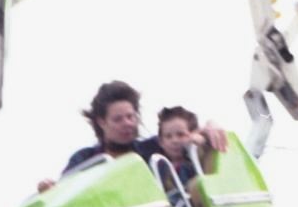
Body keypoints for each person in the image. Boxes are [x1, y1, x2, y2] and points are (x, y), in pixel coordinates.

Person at [37, 80, 227, 191]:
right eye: (118, 119)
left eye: (130, 116)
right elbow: (63, 191)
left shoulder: (153, 149)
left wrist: (210, 126)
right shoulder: (84, 158)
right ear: (102, 122)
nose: (127, 123)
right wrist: (49, 188)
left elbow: (185, 137)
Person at [153, 105, 209, 207]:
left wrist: (201, 140)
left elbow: (205, 150)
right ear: (161, 142)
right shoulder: (162, 169)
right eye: (168, 136)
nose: (175, 140)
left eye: (181, 134)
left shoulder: (195, 159)